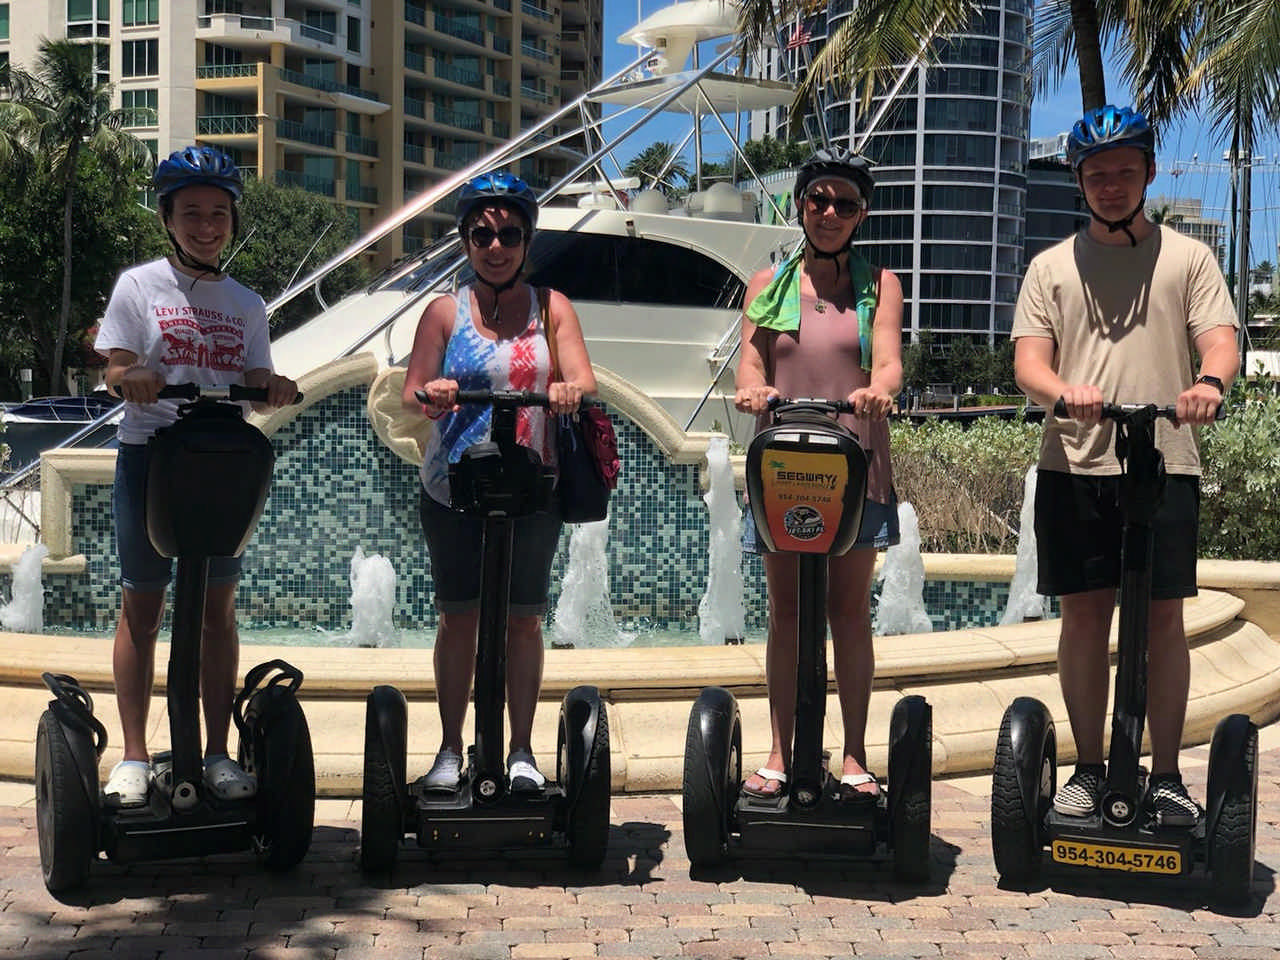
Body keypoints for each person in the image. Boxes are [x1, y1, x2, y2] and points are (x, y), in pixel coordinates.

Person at [1011, 105, 1239, 826]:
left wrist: (1209, 384)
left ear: (1147, 173)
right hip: (1074, 464)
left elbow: (1220, 340)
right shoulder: (1051, 267)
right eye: (1097, 175)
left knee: (1164, 620)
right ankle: (1086, 768)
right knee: (1083, 618)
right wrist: (1063, 392)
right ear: (1079, 182)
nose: (1111, 186)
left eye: (1123, 172)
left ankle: (1166, 775)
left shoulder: (1188, 259)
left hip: (1165, 462)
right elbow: (1028, 363)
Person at [95, 146, 299, 807]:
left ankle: (215, 753)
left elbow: (256, 375)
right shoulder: (139, 286)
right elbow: (115, 367)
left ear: (232, 220)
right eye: (191, 213)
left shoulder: (246, 302)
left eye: (218, 214)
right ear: (167, 218)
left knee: (217, 610)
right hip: (153, 457)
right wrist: (132, 377)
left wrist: (273, 386)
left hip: (221, 462)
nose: (206, 226)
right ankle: (132, 756)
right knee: (142, 605)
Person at [403, 170, 596, 792]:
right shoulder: (443, 312)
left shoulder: (551, 307)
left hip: (532, 485)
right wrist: (434, 392)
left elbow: (583, 379)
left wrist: (566, 389)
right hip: (454, 488)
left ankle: (520, 751)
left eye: (509, 234)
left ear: (526, 241)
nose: (495, 246)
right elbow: (411, 391)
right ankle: (449, 747)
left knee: (523, 621)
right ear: (465, 240)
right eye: (482, 235)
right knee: (458, 618)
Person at [733, 147, 904, 801]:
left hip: (854, 466)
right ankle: (779, 752)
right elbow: (752, 363)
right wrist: (753, 390)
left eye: (845, 204)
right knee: (785, 612)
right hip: (783, 465)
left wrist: (879, 391)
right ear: (801, 206)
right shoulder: (767, 285)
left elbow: (887, 360)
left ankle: (854, 753)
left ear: (862, 215)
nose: (830, 213)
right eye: (818, 200)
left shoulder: (878, 284)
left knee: (848, 612)